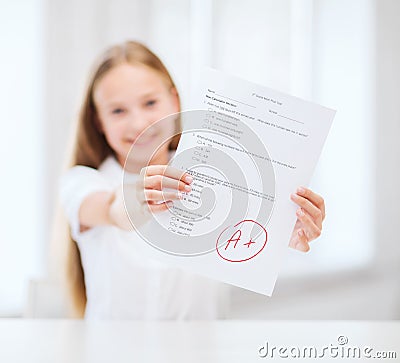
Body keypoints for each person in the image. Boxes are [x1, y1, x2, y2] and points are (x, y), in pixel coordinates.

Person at [59, 40, 326, 320]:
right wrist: (138, 198)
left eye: (150, 102)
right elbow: (110, 209)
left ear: (174, 101)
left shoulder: (218, 175)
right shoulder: (82, 183)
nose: (138, 123)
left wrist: (285, 228)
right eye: (118, 111)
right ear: (98, 121)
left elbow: (246, 239)